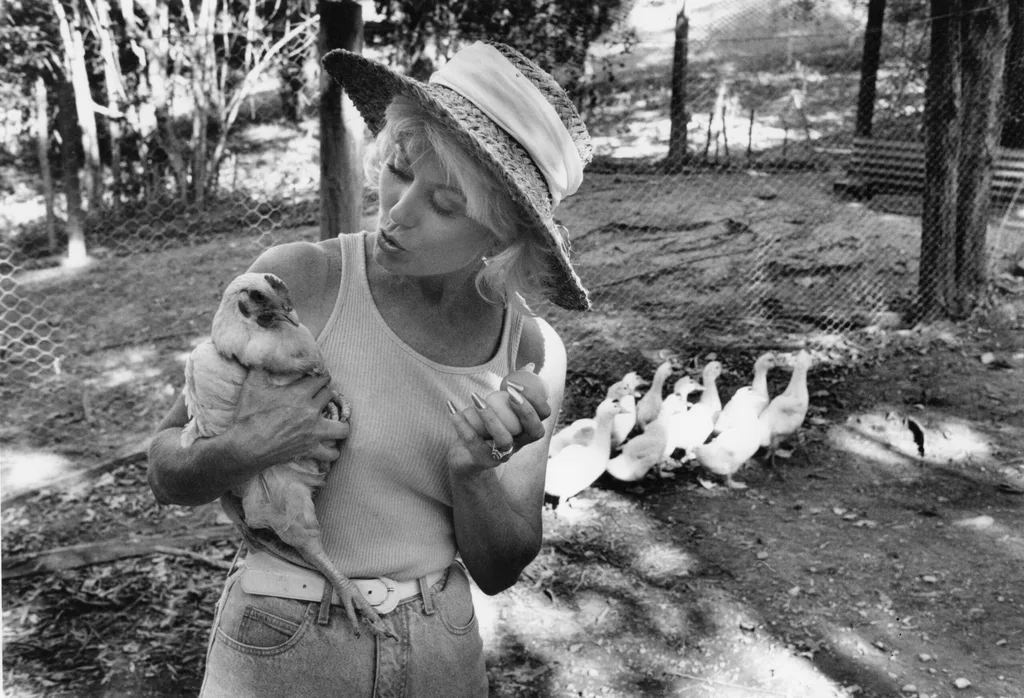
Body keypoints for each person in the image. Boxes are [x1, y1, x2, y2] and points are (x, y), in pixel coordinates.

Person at [147, 40, 593, 697]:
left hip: (441, 651)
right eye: (400, 169)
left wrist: (472, 473)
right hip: (285, 642)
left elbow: (500, 568)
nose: (399, 209)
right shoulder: (299, 280)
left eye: (445, 205)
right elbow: (164, 471)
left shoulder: (529, 354)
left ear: (501, 235)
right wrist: (258, 444)